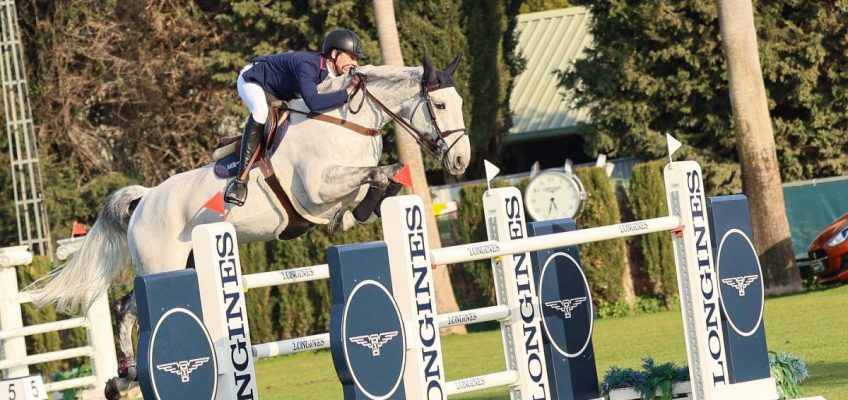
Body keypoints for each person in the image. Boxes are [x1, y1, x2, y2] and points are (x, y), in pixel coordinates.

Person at [224, 28, 367, 206]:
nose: (355, 63)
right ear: (334, 53)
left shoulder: (333, 73)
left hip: (279, 91)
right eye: (352, 57)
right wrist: (347, 92)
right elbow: (314, 102)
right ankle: (239, 181)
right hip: (254, 81)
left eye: (357, 59)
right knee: (260, 111)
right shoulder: (308, 65)